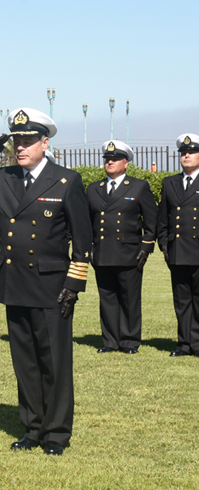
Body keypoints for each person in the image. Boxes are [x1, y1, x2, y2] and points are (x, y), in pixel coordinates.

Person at [0, 108, 91, 455]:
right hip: (14, 283)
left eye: (29, 141)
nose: (21, 147)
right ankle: (32, 428)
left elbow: (83, 241)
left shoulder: (66, 180)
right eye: (17, 141)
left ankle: (57, 433)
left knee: (54, 363)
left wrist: (73, 285)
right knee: (25, 362)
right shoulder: (2, 178)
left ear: (45, 143)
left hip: (51, 286)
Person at [87, 140, 157, 354]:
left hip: (129, 252)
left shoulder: (138, 186)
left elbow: (151, 221)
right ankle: (110, 340)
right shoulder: (94, 188)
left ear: (126, 163)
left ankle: (129, 341)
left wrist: (146, 247)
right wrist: (88, 247)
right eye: (107, 159)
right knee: (107, 297)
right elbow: (86, 220)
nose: (110, 162)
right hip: (102, 251)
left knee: (129, 298)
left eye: (115, 159)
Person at [157, 133, 199, 356]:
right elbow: (163, 218)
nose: (186, 156)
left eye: (191, 152)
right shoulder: (170, 183)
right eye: (183, 153)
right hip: (178, 251)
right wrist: (164, 244)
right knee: (182, 301)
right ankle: (184, 344)